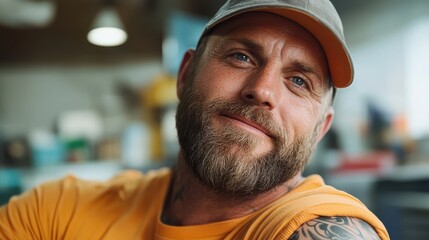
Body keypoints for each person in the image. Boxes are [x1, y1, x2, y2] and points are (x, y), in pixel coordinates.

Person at [0, 0, 389, 239]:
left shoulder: (321, 228)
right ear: (185, 75)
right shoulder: (57, 211)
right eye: (242, 57)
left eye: (299, 80)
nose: (263, 90)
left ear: (321, 129)